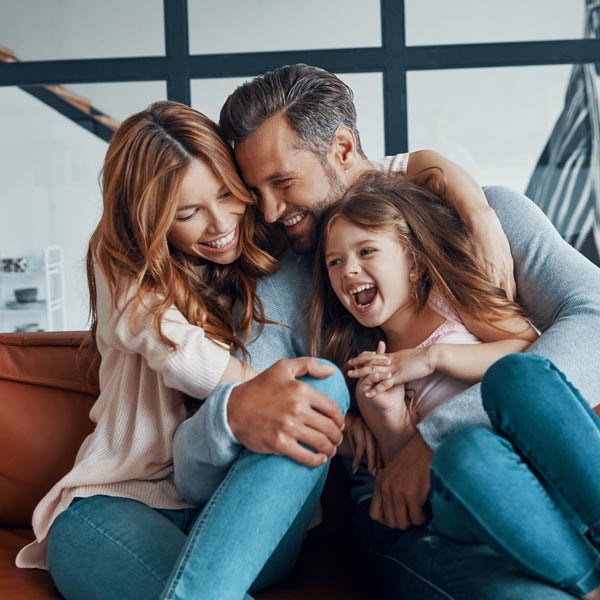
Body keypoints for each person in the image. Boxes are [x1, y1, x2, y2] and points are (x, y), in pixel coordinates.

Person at [210, 63, 600, 599]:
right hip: (410, 518)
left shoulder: (483, 219)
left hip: (527, 472)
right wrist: (369, 428)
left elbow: (594, 320)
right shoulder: (276, 291)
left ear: (342, 148)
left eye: (283, 181)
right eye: (257, 191)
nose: (271, 211)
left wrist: (436, 435)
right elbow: (263, 408)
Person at [15, 100, 349, 600]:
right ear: (150, 222)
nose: (219, 225)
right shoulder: (125, 266)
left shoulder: (272, 241)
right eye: (188, 213)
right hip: (120, 504)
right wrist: (247, 398)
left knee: (320, 381)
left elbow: (352, 175)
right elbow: (181, 354)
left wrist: (437, 169)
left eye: (227, 193)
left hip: (246, 516)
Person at [310, 170, 600, 599]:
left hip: (530, 465)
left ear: (412, 260)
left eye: (366, 251)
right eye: (335, 262)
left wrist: (433, 356)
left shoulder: (452, 302)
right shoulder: (369, 364)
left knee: (515, 376)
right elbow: (407, 482)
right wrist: (389, 413)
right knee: (464, 454)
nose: (349, 270)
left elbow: (527, 348)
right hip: (464, 496)